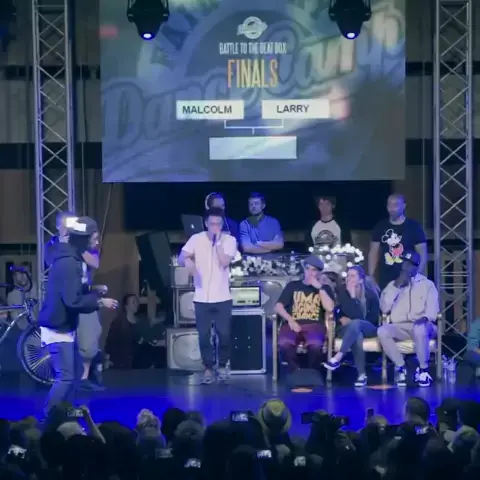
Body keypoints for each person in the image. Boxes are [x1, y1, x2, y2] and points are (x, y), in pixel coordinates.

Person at [38, 216, 118, 417]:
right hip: (57, 327)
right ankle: (48, 416)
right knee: (65, 377)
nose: (97, 242)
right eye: (94, 238)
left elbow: (73, 289)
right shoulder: (68, 263)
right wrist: (100, 301)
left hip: (65, 325)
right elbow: (72, 300)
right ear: (84, 238)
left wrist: (92, 290)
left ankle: (65, 410)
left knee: (74, 373)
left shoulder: (73, 259)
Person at [46, 211, 104, 391]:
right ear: (58, 226)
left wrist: (77, 247)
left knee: (89, 339)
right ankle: (65, 381)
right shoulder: (54, 245)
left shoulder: (83, 244)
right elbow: (50, 262)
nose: (68, 228)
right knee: (65, 348)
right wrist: (66, 246)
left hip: (83, 293)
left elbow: (95, 262)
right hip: (67, 298)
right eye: (65, 224)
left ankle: (85, 376)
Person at [178, 207, 237, 384]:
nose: (215, 227)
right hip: (201, 298)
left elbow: (224, 261)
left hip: (223, 298)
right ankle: (208, 369)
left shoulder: (229, 240)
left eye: (218, 224)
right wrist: (188, 262)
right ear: (206, 224)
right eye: (212, 224)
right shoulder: (196, 239)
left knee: (224, 334)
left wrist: (217, 243)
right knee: (204, 336)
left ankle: (223, 365)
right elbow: (181, 257)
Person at [377, 250, 439, 387]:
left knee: (419, 328)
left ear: (416, 267)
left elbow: (433, 310)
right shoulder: (394, 284)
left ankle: (423, 370)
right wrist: (396, 286)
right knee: (382, 331)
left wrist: (424, 319)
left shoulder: (427, 285)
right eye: (404, 263)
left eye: (409, 264)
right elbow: (384, 308)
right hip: (401, 327)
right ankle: (401, 366)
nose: (405, 267)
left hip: (424, 326)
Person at [322, 266, 380, 387]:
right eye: (348, 276)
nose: (349, 279)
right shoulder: (342, 293)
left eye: (353, 276)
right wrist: (347, 317)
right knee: (357, 334)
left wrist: (353, 297)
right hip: (347, 330)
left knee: (356, 323)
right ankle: (361, 375)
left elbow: (370, 319)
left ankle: (338, 356)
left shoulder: (371, 295)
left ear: (361, 280)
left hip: (369, 328)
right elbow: (339, 313)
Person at [275, 256, 334, 373]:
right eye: (307, 269)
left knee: (316, 345)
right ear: (304, 270)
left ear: (319, 273)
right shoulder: (293, 286)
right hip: (293, 323)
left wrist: (319, 288)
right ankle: (295, 372)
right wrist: (290, 320)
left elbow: (330, 308)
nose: (310, 273)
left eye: (314, 270)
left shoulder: (325, 288)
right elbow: (278, 306)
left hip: (314, 325)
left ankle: (312, 372)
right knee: (284, 343)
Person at [368, 193, 427, 290]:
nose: (391, 208)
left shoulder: (414, 227)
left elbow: (422, 254)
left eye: (395, 204)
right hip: (385, 279)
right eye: (389, 204)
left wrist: (416, 276)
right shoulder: (380, 226)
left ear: (403, 206)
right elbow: (373, 252)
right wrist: (371, 276)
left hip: (407, 279)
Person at [105, 294, 164, 369]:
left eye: (137, 301)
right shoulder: (119, 322)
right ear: (126, 306)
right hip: (121, 363)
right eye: (133, 302)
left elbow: (149, 337)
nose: (136, 304)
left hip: (138, 362)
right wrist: (107, 360)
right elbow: (110, 342)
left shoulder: (141, 321)